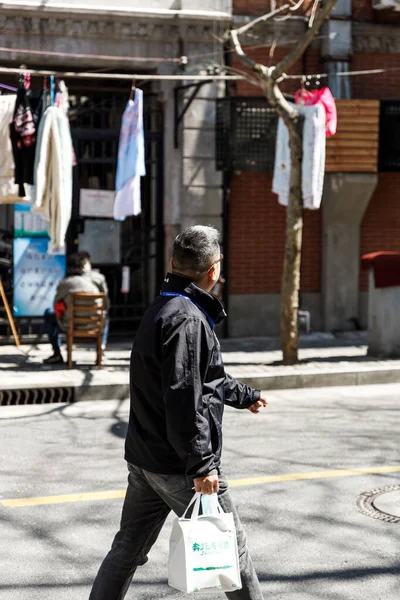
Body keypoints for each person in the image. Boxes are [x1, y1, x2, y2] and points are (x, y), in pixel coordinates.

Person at [89, 225, 268, 600]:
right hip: (177, 465)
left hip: (146, 458)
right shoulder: (187, 319)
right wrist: (202, 465)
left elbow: (205, 377)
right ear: (214, 271)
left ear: (172, 263)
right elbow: (184, 396)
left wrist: (244, 395)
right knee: (232, 552)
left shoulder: (164, 307)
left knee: (126, 550)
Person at [43, 252, 109, 365]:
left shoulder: (65, 283)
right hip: (95, 324)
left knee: (49, 313)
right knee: (105, 316)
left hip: (71, 324)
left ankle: (57, 353)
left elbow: (56, 304)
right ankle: (101, 349)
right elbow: (106, 303)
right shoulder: (99, 279)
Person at [78, 251, 110, 349]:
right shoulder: (99, 278)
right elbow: (106, 298)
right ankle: (102, 344)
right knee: (106, 316)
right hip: (95, 321)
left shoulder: (70, 280)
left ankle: (58, 351)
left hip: (73, 324)